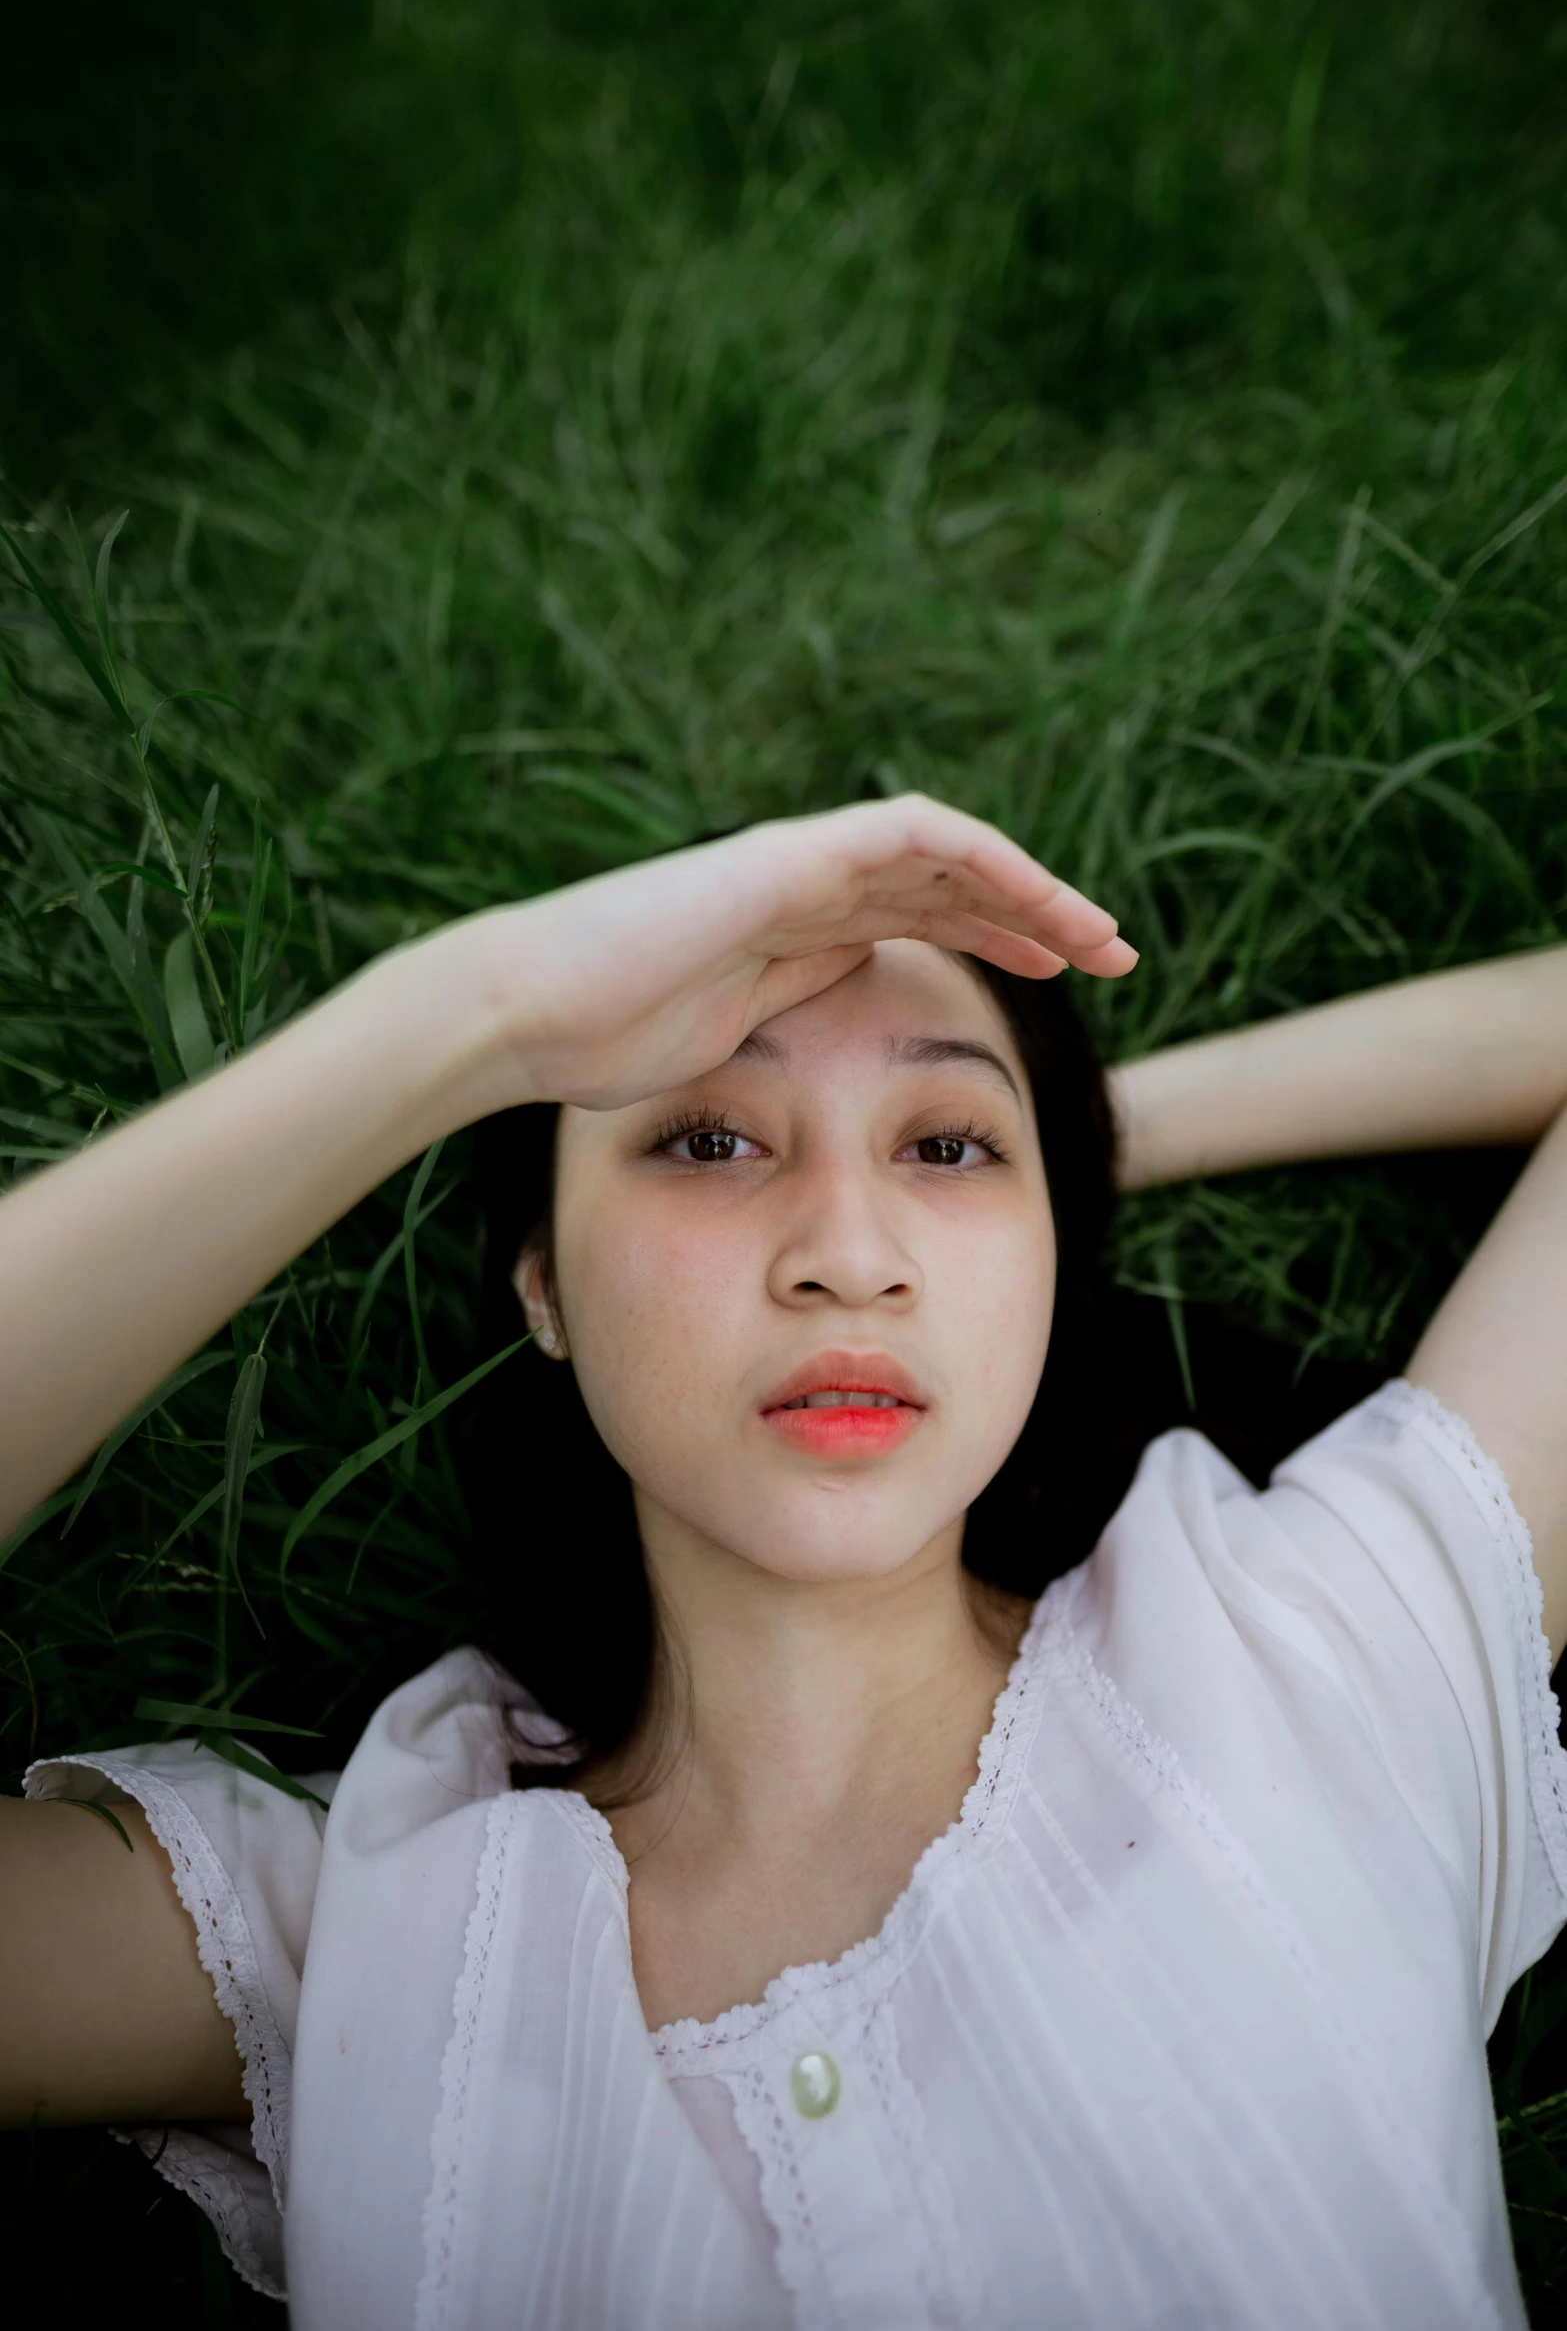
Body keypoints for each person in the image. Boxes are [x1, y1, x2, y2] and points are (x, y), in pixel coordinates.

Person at [2, 794, 1565, 2331]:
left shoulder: (1313, 1649)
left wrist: (1092, 1130)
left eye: (949, 1148)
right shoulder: (359, 1931)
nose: (847, 1247)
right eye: (705, 1134)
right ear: (538, 1281)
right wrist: (471, 1019)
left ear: (1050, 1265)